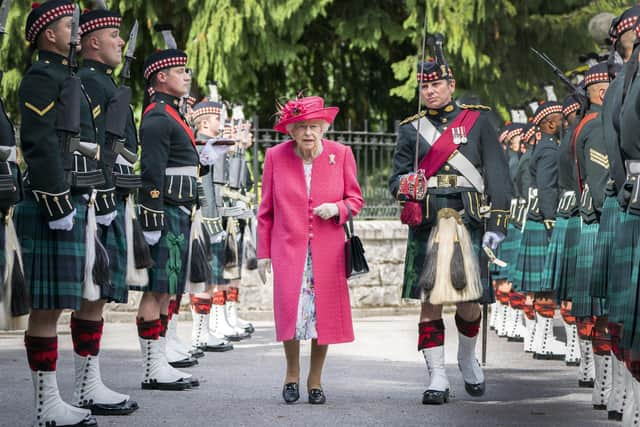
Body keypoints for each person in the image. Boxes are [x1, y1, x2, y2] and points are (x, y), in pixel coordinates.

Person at [389, 58, 512, 405]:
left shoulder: (479, 121)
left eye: (436, 85)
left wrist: (497, 225)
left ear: (451, 85)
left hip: (468, 219)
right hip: (428, 222)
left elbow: (500, 177)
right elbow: (394, 179)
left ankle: (466, 357)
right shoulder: (411, 129)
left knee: (470, 301)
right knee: (430, 301)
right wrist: (405, 184)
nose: (429, 92)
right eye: (424, 87)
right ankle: (437, 376)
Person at [16, 1, 101, 425]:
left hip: (70, 197)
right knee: (46, 308)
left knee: (57, 305)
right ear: (49, 32)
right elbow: (39, 142)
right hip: (51, 201)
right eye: (70, 25)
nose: (76, 31)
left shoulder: (65, 76)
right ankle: (45, 406)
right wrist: (56, 200)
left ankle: (52, 400)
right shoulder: (39, 78)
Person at [257, 95, 364, 405]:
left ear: (323, 128)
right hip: (289, 251)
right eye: (301, 127)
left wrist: (338, 208)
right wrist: (263, 253)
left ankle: (315, 380)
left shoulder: (341, 154)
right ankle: (292, 374)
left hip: (328, 252)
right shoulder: (275, 156)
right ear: (291, 130)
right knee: (291, 313)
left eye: (314, 127)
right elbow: (265, 212)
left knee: (323, 317)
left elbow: (356, 200)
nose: (308, 133)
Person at [74, 7, 141, 415]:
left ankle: (89, 382)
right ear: (93, 41)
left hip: (110, 193)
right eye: (113, 35)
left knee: (97, 296)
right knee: (90, 294)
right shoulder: (85, 82)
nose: (120, 41)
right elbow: (83, 139)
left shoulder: (105, 84)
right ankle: (86, 385)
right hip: (95, 195)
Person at [136, 47, 203, 391]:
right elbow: (151, 172)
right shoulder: (157, 117)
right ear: (161, 77)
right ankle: (151, 367)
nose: (187, 76)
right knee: (155, 290)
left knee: (167, 291)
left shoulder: (173, 115)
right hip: (164, 212)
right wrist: (151, 219)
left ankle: (160, 361)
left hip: (179, 210)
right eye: (180, 71)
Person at [512, 101, 567, 360]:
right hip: (544, 218)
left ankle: (537, 340)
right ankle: (542, 342)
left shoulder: (542, 148)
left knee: (539, 287)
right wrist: (551, 218)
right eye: (560, 119)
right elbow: (547, 187)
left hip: (535, 218)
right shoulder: (549, 150)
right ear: (550, 123)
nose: (564, 122)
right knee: (544, 286)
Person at [188, 99, 234, 353]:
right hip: (205, 218)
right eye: (218, 118)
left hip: (212, 215)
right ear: (205, 121)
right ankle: (199, 334)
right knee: (204, 277)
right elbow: (204, 186)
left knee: (213, 276)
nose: (222, 123)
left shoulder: (211, 144)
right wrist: (211, 219)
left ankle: (205, 331)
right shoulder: (202, 143)